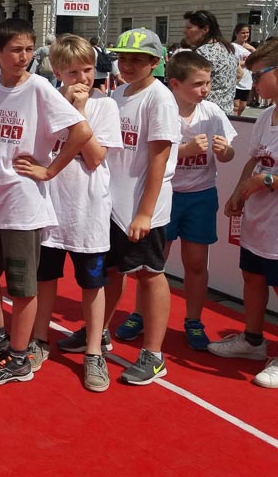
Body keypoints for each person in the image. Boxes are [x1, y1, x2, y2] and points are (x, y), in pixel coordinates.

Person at [0, 19, 91, 386]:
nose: (24, 57)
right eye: (16, 50)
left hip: (23, 205)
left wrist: (49, 170)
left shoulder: (40, 89)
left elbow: (81, 131)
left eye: (29, 50)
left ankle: (18, 357)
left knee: (22, 285)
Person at [33, 36, 121, 392]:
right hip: (49, 208)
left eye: (87, 70)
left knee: (92, 283)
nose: (83, 79)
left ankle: (94, 349)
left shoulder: (105, 106)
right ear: (58, 72)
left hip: (88, 210)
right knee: (45, 278)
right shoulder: (46, 102)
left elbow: (96, 157)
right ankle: (39, 339)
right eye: (73, 72)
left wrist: (78, 114)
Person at [98, 28, 178, 385]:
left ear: (155, 62)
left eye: (137, 60)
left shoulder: (160, 99)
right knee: (111, 272)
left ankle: (154, 354)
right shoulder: (118, 93)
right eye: (123, 58)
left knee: (149, 274)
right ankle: (98, 331)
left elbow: (159, 159)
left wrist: (145, 212)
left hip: (144, 206)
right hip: (113, 204)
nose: (127, 65)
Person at [211, 38, 278, 388]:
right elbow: (254, 160)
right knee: (252, 278)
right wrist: (239, 192)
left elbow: (266, 173)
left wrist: (267, 180)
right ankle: (253, 340)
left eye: (258, 76)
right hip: (260, 222)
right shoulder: (266, 117)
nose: (252, 83)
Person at [164, 51, 236, 349]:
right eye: (198, 84)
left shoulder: (212, 112)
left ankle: (193, 320)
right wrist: (185, 150)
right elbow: (149, 154)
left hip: (201, 195)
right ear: (175, 84)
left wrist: (224, 151)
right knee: (153, 263)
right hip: (165, 193)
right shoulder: (164, 109)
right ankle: (141, 314)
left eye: (208, 82)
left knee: (195, 263)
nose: (205, 90)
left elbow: (229, 154)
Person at [183, 10, 238, 113]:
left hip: (205, 113)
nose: (184, 31)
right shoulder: (229, 49)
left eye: (189, 28)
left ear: (205, 29)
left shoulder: (202, 53)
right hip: (226, 112)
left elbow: (190, 84)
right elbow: (239, 74)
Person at [232, 23, 254, 116]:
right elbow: (233, 62)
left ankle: (238, 120)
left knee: (243, 106)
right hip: (237, 80)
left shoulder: (248, 47)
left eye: (247, 32)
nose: (246, 35)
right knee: (235, 106)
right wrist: (247, 62)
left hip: (247, 79)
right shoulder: (233, 46)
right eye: (243, 33)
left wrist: (253, 50)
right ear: (236, 33)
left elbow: (257, 59)